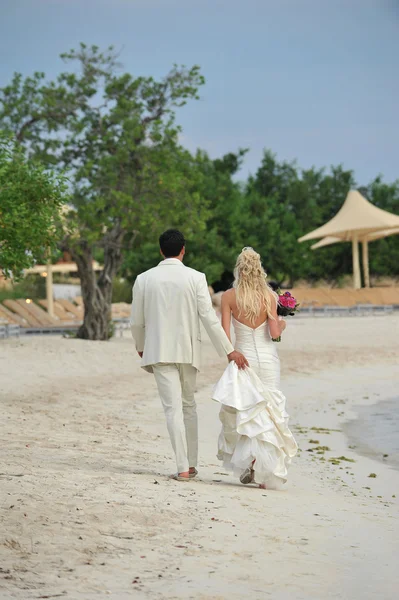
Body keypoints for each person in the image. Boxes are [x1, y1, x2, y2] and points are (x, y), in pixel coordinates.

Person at [130, 229, 248, 482]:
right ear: (183, 250)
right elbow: (208, 318)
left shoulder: (143, 279)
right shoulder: (196, 277)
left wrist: (141, 346)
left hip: (158, 349)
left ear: (161, 250)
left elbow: (136, 322)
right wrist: (229, 350)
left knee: (172, 409)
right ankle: (191, 465)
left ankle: (183, 466)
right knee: (189, 406)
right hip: (188, 350)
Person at [213, 247, 298, 489]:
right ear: (259, 269)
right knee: (269, 411)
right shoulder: (270, 297)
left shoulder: (228, 297)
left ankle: (251, 463)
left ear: (239, 269)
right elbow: (273, 334)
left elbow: (225, 333)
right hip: (268, 361)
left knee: (248, 411)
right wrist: (281, 325)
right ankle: (263, 474)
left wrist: (231, 354)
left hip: (244, 359)